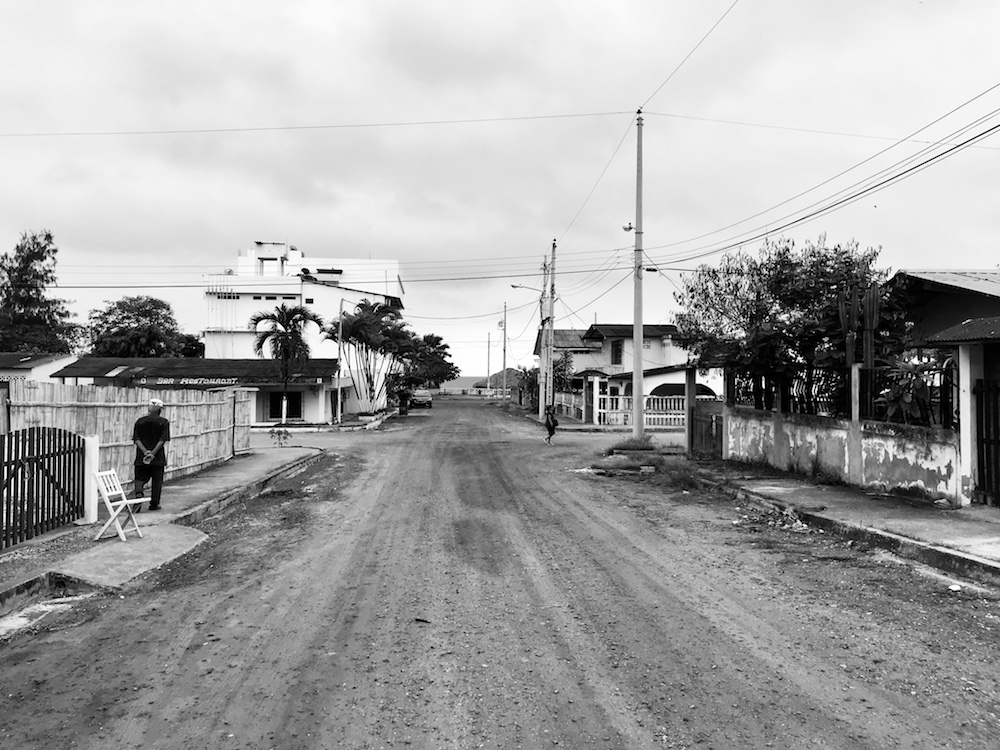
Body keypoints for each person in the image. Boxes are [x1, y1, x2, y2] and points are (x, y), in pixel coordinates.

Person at [133, 397, 171, 510]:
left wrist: (145, 452)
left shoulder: (140, 422)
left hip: (141, 456)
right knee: (157, 481)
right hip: (157, 457)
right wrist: (152, 453)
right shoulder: (163, 422)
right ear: (160, 410)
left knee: (139, 478)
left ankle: (139, 495)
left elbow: (136, 439)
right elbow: (162, 439)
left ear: (149, 408)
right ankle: (154, 504)